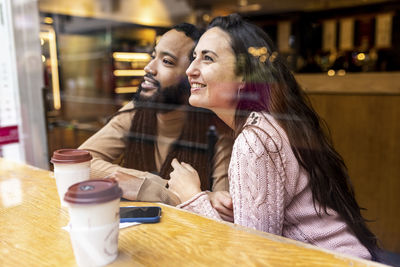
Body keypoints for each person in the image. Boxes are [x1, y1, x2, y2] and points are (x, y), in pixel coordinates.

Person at [167, 14, 379, 260]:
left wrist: (192, 196)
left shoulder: (254, 140)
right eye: (194, 57)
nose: (191, 70)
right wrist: (217, 202)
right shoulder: (268, 122)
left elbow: (252, 256)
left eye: (207, 58)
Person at [79, 23, 234, 221]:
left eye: (167, 61)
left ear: (192, 75)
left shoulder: (218, 129)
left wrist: (149, 190)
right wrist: (155, 184)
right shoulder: (135, 112)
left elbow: (224, 213)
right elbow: (81, 163)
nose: (149, 67)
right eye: (154, 56)